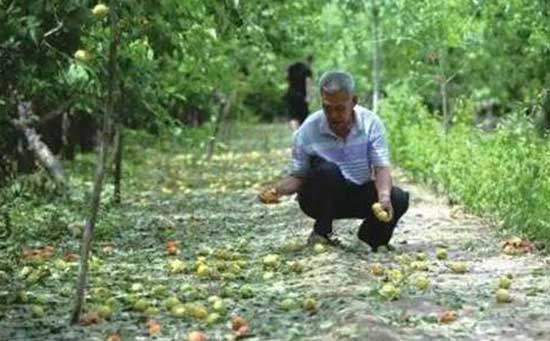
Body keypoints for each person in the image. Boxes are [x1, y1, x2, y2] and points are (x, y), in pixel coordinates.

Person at [259, 71, 409, 251]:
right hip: (319, 198)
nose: (333, 114)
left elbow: (381, 168)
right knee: (328, 171)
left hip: (357, 193)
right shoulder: (308, 130)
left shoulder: (371, 123)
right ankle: (321, 233)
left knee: (398, 198)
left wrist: (384, 197)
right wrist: (277, 190)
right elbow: (299, 176)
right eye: (327, 108)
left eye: (340, 108)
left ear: (353, 101)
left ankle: (370, 240)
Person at [285, 55, 314, 130]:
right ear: (309, 61)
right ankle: (300, 135)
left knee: (293, 117)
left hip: (290, 94)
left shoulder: (291, 68)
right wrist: (309, 96)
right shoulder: (307, 70)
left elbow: (287, 80)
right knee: (302, 118)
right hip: (301, 96)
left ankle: (295, 133)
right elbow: (308, 83)